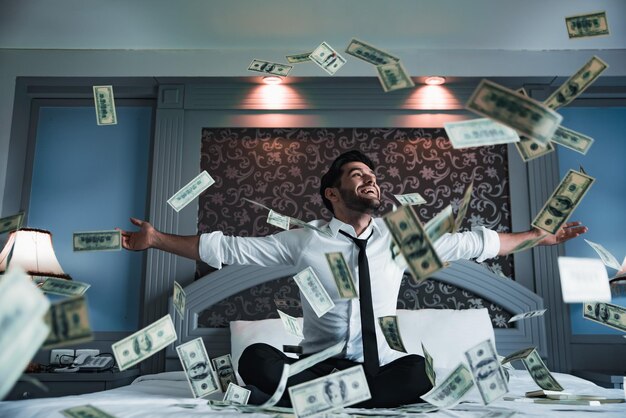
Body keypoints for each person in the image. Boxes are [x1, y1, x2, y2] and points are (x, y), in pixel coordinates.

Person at [119, 150, 587, 408]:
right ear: (332, 192)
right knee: (255, 358)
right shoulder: (305, 241)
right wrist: (158, 239)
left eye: (374, 178)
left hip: (380, 368)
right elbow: (230, 248)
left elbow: (472, 243)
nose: (371, 181)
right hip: (318, 365)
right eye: (358, 175)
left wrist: (536, 237)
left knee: (419, 371)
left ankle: (314, 402)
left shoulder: (401, 239)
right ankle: (331, 395)